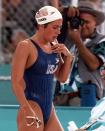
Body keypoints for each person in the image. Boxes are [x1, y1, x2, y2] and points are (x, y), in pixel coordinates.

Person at [11, 5, 73, 131]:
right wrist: (26, 109)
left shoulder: (55, 46)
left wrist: (69, 58)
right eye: (55, 27)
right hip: (31, 105)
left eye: (60, 27)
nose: (59, 32)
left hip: (49, 109)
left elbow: (62, 78)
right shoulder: (26, 46)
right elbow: (16, 82)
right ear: (41, 26)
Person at [60, 0, 105, 107]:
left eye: (87, 22)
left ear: (96, 23)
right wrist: (65, 12)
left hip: (85, 96)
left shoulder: (101, 41)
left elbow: (93, 64)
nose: (83, 26)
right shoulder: (66, 36)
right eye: (80, 21)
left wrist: (77, 41)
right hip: (60, 95)